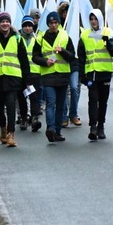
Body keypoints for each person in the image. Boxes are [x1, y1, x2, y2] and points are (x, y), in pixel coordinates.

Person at [0, 12, 31, 147]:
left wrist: (27, 80)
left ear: (10, 23)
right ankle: (3, 128)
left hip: (13, 78)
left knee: (11, 105)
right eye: (2, 21)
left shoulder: (17, 39)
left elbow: (24, 61)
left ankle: (11, 133)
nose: (5, 24)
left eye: (7, 21)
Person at [32, 10, 76, 143]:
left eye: (56, 22)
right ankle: (50, 129)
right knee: (51, 102)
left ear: (59, 23)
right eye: (51, 23)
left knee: (60, 105)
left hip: (62, 75)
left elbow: (72, 56)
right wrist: (45, 62)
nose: (53, 25)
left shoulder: (65, 36)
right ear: (47, 24)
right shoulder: (40, 38)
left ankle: (57, 131)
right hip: (48, 75)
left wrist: (62, 51)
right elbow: (35, 57)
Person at [78, 9, 113, 141]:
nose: (93, 21)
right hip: (91, 74)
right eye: (91, 19)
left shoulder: (108, 33)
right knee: (92, 100)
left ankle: (101, 126)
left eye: (95, 19)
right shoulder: (85, 35)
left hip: (105, 74)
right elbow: (81, 57)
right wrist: (82, 75)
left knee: (103, 101)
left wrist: (108, 43)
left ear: (100, 19)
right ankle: (93, 127)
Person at [57, 1, 82, 128]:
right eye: (64, 12)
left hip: (75, 62)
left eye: (68, 11)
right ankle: (64, 116)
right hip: (63, 63)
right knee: (65, 91)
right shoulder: (58, 29)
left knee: (74, 88)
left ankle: (74, 114)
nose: (66, 14)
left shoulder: (78, 28)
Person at [17, 15, 42, 132]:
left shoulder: (37, 38)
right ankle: (23, 117)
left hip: (35, 71)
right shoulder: (17, 39)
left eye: (30, 26)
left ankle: (34, 118)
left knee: (34, 96)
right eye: (25, 26)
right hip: (21, 72)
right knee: (22, 96)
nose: (27, 28)